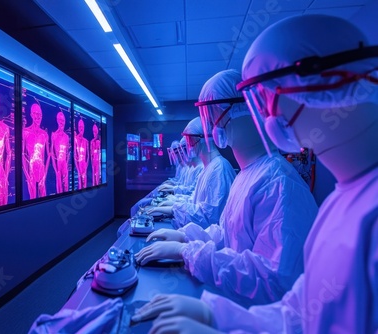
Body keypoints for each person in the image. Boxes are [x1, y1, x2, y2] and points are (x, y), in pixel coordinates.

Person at [137, 15, 378, 333]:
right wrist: (218, 315)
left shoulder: (283, 184)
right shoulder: (342, 199)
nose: (264, 113)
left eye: (265, 97)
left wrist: (189, 251)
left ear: (328, 83)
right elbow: (300, 309)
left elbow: (278, 279)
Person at [135, 69, 318, 306]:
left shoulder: (277, 182)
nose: (211, 125)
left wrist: (187, 252)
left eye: (213, 113)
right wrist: (184, 237)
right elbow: (227, 234)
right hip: (238, 301)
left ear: (243, 109)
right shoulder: (249, 174)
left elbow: (274, 280)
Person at [145, 116, 236, 229]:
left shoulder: (219, 170)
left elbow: (210, 217)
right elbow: (194, 201)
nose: (188, 147)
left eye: (189, 141)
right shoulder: (209, 168)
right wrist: (174, 206)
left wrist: (174, 209)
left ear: (200, 139)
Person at [23, 103, 50, 199]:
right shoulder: (25, 132)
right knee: (32, 199)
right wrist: (27, 175)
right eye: (35, 114)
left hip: (42, 170)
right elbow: (22, 154)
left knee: (43, 198)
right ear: (31, 115)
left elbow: (49, 155)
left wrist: (45, 173)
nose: (38, 116)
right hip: (31, 171)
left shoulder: (44, 134)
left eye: (40, 115)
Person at [51, 111, 70, 193]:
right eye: (60, 120)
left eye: (63, 120)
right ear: (57, 120)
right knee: (59, 186)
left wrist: (67, 164)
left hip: (64, 163)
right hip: (58, 163)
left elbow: (68, 152)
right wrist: (56, 169)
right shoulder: (54, 135)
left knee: (66, 186)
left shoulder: (66, 137)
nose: (61, 122)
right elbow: (52, 153)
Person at [75, 118, 89, 189]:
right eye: (80, 127)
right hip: (79, 164)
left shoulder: (86, 141)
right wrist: (77, 167)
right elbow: (74, 155)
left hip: (84, 164)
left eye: (82, 127)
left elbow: (88, 155)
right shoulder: (75, 139)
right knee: (80, 182)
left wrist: (86, 165)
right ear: (78, 127)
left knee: (85, 183)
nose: (81, 129)